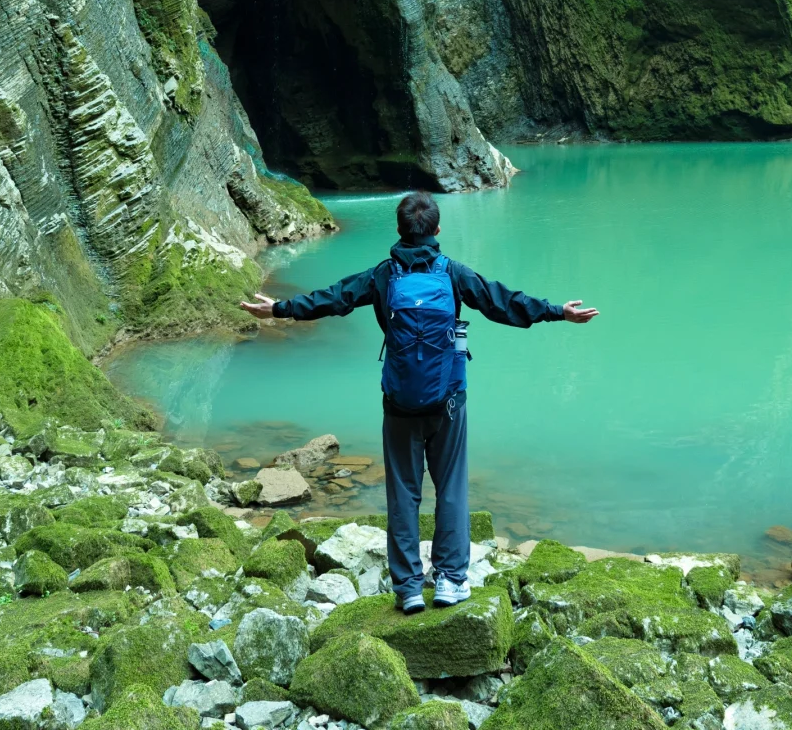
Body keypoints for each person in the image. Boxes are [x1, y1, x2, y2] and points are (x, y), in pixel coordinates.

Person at [240, 188, 599, 614]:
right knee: (450, 488)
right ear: (437, 230)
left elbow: (334, 299)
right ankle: (450, 581)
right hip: (448, 400)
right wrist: (558, 311)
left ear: (398, 230)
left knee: (404, 492)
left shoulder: (383, 275)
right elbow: (502, 302)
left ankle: (408, 587)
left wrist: (279, 308)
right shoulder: (452, 274)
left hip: (399, 404)